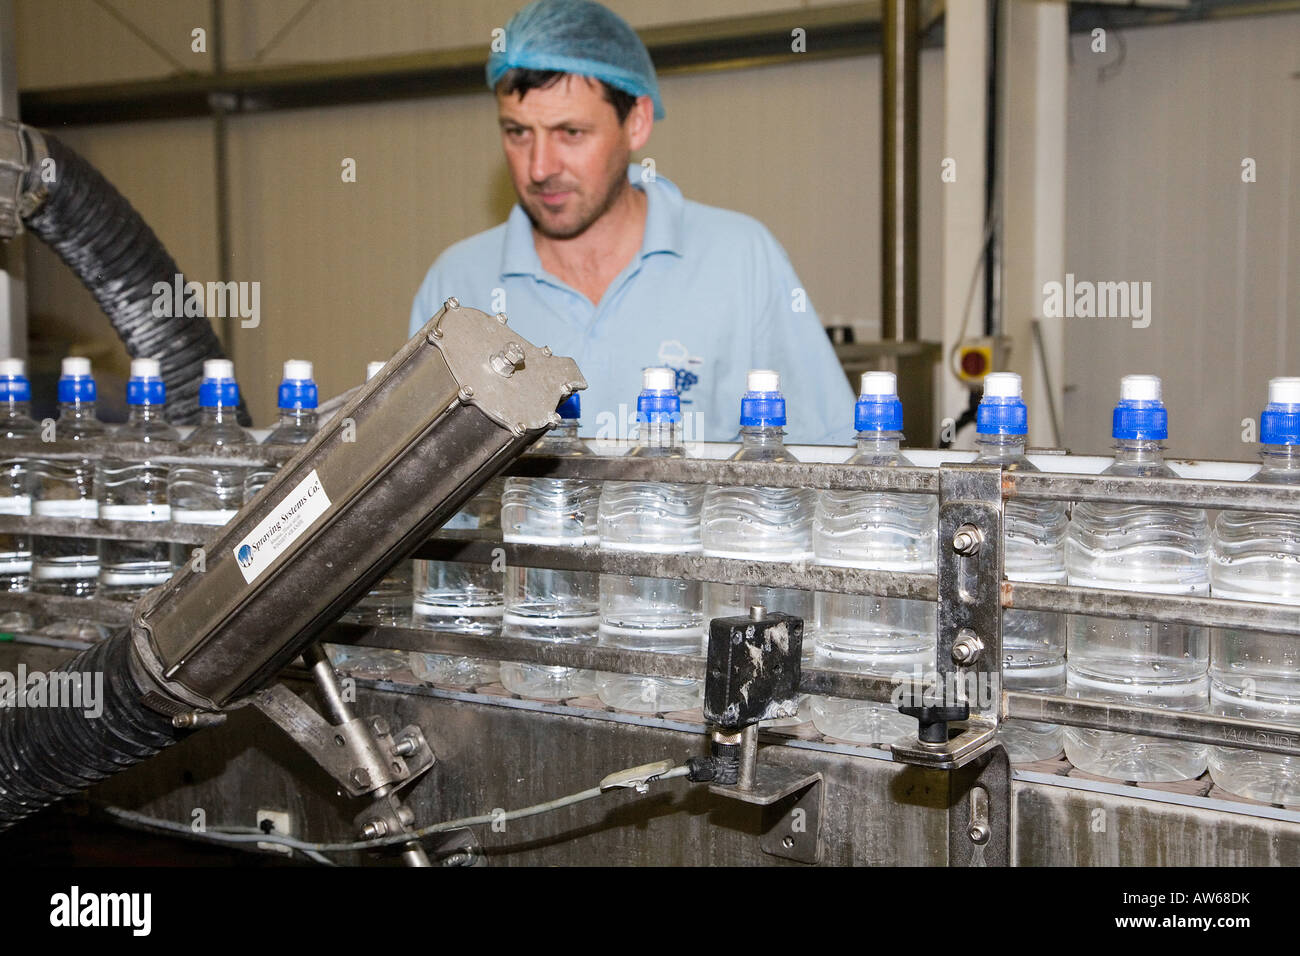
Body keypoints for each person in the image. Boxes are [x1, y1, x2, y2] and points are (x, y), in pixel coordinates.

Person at [409, 0, 855, 444]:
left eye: (571, 133)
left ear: (637, 122)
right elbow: (413, 481)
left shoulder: (740, 259)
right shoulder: (457, 286)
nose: (540, 167)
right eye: (518, 132)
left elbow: (829, 451)